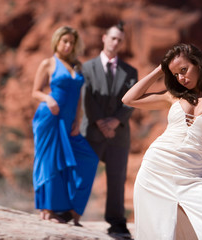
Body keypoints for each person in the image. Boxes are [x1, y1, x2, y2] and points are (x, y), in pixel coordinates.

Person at [122, 43, 202, 239]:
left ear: (198, 63)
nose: (181, 78)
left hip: (192, 177)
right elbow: (128, 99)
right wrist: (160, 69)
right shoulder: (173, 96)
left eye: (184, 70)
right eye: (176, 74)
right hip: (155, 171)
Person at [32, 26, 99, 227]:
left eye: (71, 42)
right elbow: (35, 91)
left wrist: (78, 120)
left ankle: (71, 210)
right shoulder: (48, 63)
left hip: (69, 121)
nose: (68, 45)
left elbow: (78, 96)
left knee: (89, 158)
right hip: (50, 117)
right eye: (65, 41)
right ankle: (47, 209)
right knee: (50, 162)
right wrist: (48, 100)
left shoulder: (77, 66)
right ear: (57, 42)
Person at [80, 22, 138, 238]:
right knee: (82, 174)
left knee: (117, 179)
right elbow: (87, 98)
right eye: (113, 38)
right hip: (92, 132)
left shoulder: (130, 71)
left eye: (120, 40)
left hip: (118, 134)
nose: (116, 42)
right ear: (104, 38)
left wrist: (115, 121)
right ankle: (71, 213)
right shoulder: (86, 68)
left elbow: (132, 101)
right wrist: (100, 122)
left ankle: (116, 223)